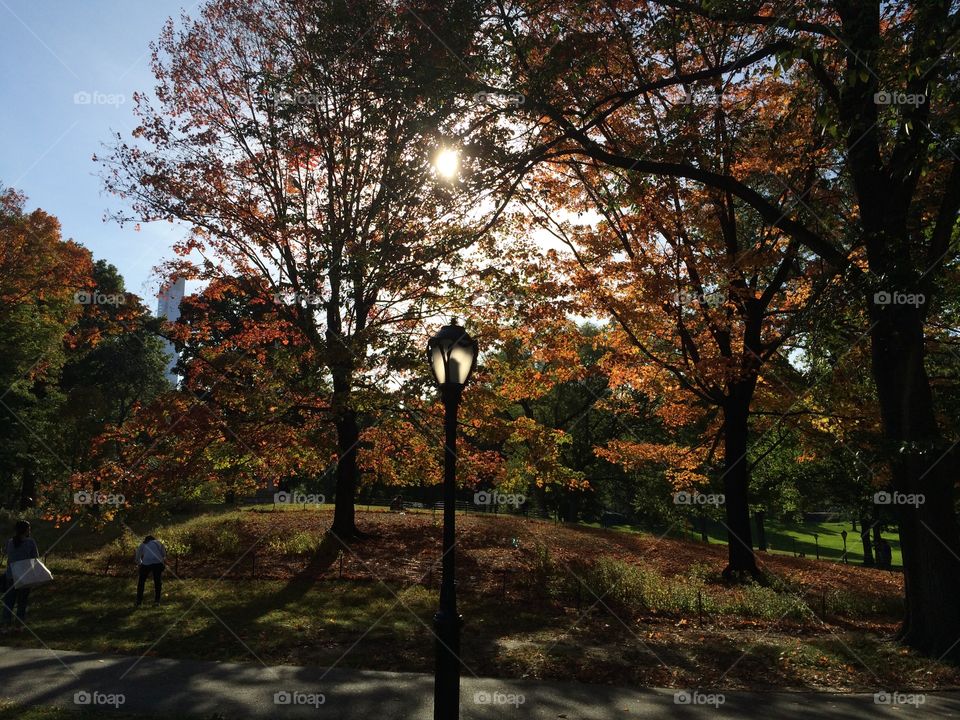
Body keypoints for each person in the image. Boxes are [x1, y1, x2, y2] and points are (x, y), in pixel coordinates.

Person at [3, 520, 39, 629]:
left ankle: (5, 624)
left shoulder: (10, 542)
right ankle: (18, 625)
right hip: (24, 575)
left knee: (9, 601)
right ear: (26, 530)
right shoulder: (30, 542)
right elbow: (35, 558)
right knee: (22, 602)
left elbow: (7, 555)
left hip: (11, 575)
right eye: (29, 528)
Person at [135, 535, 166, 606]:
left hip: (146, 563)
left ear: (146, 540)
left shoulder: (143, 544)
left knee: (141, 582)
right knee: (157, 581)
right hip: (158, 563)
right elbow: (164, 554)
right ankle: (157, 601)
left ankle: (139, 601)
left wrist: (140, 564)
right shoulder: (159, 543)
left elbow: (137, 557)